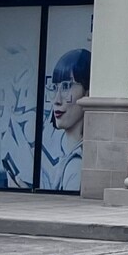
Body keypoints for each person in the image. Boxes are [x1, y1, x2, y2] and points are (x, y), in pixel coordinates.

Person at [39, 46, 89, 192]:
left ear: (87, 93)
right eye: (54, 87)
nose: (57, 100)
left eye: (66, 86)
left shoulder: (76, 165)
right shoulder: (60, 150)